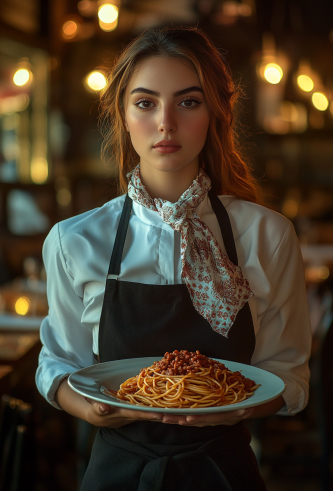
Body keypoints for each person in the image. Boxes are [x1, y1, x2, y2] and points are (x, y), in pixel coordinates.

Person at [36, 27, 311, 491]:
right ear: (123, 115)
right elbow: (60, 362)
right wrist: (94, 410)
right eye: (145, 103)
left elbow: (289, 376)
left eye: (188, 102)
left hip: (224, 472)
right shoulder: (74, 239)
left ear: (216, 113)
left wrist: (238, 407)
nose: (166, 122)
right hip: (116, 473)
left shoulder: (268, 235)